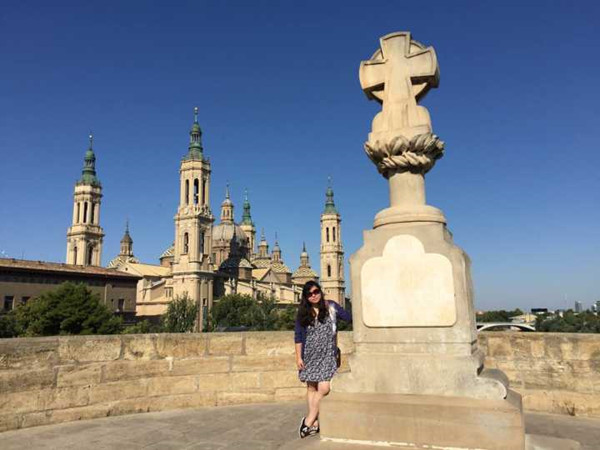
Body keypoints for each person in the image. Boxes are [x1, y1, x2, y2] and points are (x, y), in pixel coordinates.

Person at [294, 280, 351, 439]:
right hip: (309, 355)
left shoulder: (331, 306)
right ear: (305, 297)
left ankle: (308, 420)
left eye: (316, 292)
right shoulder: (303, 312)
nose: (314, 296)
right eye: (309, 294)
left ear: (320, 291)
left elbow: (348, 317)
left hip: (327, 355)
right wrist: (299, 357)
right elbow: (298, 337)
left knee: (324, 388)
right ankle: (314, 423)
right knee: (311, 388)